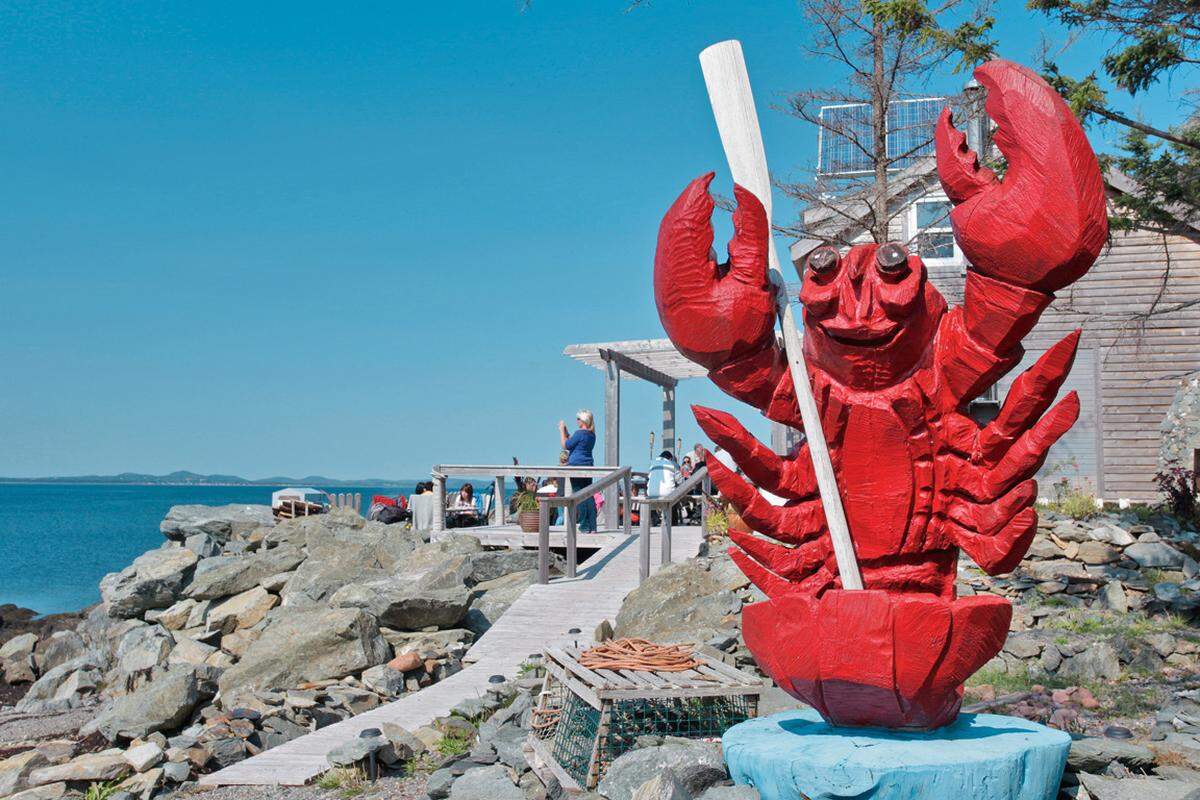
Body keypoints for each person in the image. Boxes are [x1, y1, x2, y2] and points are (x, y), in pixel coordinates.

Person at [559, 409, 597, 533]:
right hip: (588, 465)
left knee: (579, 495)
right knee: (588, 495)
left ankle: (584, 526)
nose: (576, 421)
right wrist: (567, 432)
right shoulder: (591, 434)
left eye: (578, 419)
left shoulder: (579, 433)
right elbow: (574, 442)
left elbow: (566, 445)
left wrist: (561, 431)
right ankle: (592, 526)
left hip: (577, 466)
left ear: (583, 420)